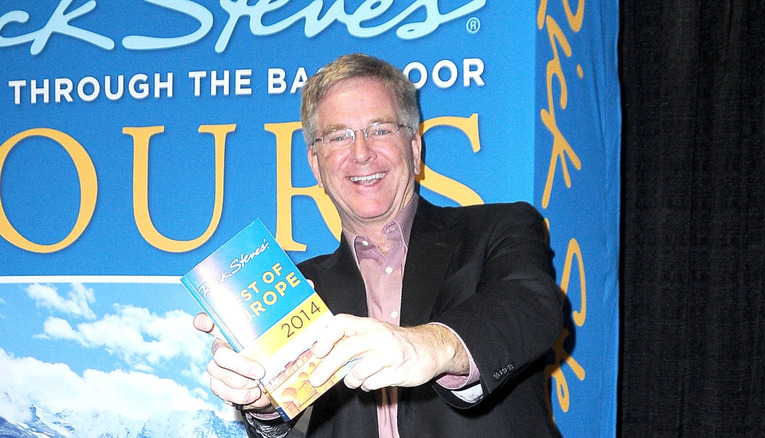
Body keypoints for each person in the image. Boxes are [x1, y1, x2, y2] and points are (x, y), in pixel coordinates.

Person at [194, 53, 563, 437]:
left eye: (381, 129)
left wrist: (428, 346)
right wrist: (262, 401)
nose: (361, 152)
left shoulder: (499, 228)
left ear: (415, 148)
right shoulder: (294, 289)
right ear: (316, 165)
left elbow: (530, 306)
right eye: (338, 136)